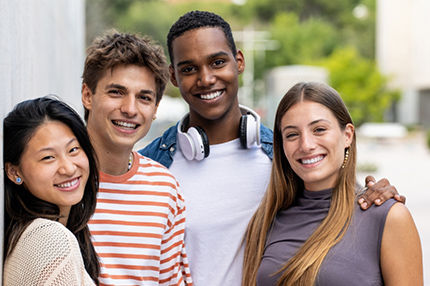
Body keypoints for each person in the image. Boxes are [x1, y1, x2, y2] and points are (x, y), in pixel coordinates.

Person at [140, 10, 405, 286]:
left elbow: (335, 201)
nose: (206, 79)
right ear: (173, 76)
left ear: (239, 61)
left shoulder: (285, 159)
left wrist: (373, 196)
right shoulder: (151, 169)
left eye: (217, 62)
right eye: (189, 69)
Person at [242, 82, 423, 286]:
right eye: (292, 134)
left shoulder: (387, 216)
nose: (306, 145)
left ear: (347, 135)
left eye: (319, 129)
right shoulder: (267, 218)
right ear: (281, 145)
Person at [81, 30, 192, 285]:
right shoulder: (61, 179)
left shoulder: (166, 189)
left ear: (155, 110)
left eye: (144, 98)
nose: (130, 109)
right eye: (117, 92)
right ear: (88, 96)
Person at [3, 96, 100, 285]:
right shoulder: (50, 239)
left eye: (73, 150)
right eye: (48, 157)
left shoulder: (30, 234)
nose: (69, 168)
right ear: (14, 171)